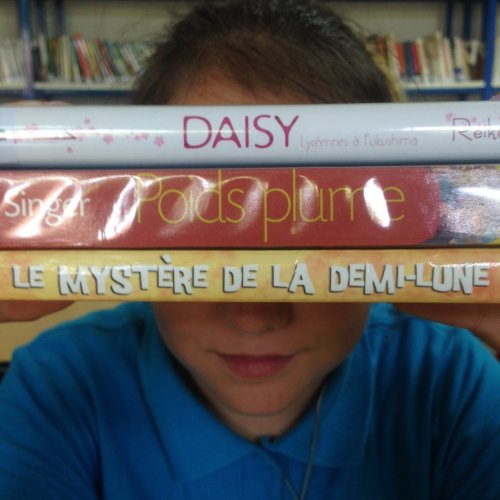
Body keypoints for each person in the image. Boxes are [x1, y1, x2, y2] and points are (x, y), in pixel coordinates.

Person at [0, 1, 499, 498]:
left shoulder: (450, 379)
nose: (254, 314)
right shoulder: (58, 383)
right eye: (198, 237)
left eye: (314, 243)